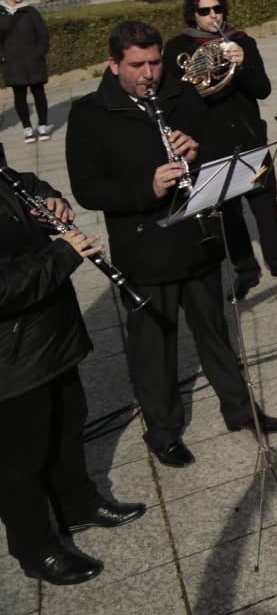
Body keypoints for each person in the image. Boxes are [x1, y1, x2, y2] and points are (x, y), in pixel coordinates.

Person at [66, 21, 277, 469]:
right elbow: (88, 190)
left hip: (197, 234)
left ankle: (240, 409)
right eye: (137, 66)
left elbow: (212, 154)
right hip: (144, 249)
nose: (149, 74)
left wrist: (195, 151)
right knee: (153, 347)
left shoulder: (181, 94)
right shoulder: (90, 113)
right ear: (113, 65)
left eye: (154, 62)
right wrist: (146, 187)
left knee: (215, 331)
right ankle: (163, 431)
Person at [0, 162, 146, 586]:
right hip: (9, 358)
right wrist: (63, 254)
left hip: (48, 332)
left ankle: (78, 503)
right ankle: (35, 549)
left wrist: (50, 201)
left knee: (67, 420)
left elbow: (24, 183)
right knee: (18, 460)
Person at [163, 0, 277, 299]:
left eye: (217, 9)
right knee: (229, 210)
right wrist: (201, 73)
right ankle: (246, 271)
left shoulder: (242, 41)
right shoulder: (179, 47)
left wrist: (242, 64)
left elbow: (263, 89)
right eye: (205, 11)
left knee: (265, 201)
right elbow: (175, 98)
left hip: (248, 135)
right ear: (193, 13)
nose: (213, 16)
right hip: (209, 140)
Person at [0, 0, 51, 142]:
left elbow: (43, 35)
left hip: (33, 60)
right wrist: (3, 57)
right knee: (19, 95)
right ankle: (27, 128)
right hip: (12, 63)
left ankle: (42, 126)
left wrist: (39, 53)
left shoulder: (31, 12)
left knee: (38, 92)